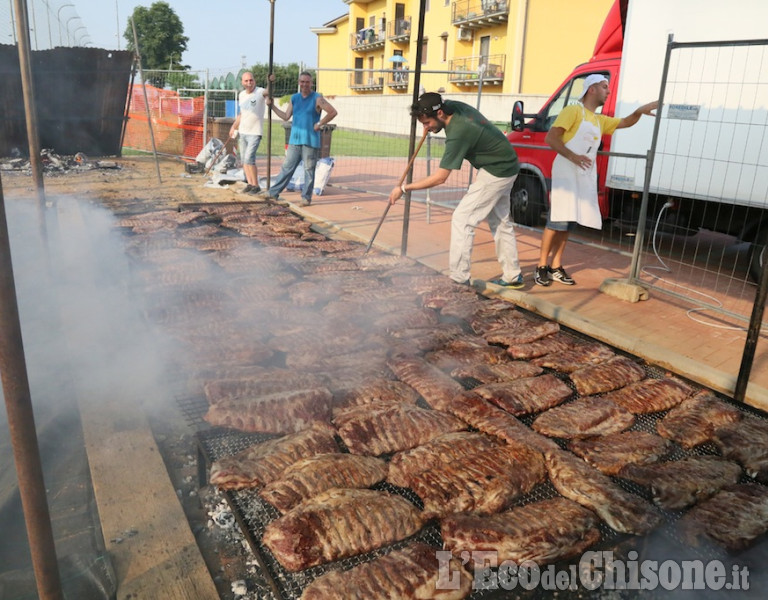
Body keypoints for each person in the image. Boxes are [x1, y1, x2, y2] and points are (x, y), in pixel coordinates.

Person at [388, 92, 523, 288]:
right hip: (505, 164)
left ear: (440, 113)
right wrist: (429, 124)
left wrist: (403, 188)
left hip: (497, 171)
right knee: (500, 222)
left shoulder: (459, 132)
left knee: (463, 218)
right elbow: (432, 105)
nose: (426, 128)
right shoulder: (450, 106)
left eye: (427, 123)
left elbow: (440, 178)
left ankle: (459, 279)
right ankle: (512, 276)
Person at [536, 73, 658, 286]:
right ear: (591, 89)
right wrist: (573, 156)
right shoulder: (573, 111)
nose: (608, 91)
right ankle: (541, 266)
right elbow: (551, 137)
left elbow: (627, 122)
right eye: (604, 87)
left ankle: (556, 265)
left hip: (582, 175)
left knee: (569, 221)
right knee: (556, 220)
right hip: (566, 171)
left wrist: (639, 111)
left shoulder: (599, 120)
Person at [260, 71, 338, 207]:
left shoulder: (317, 98)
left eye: (307, 82)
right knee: (286, 168)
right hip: (294, 140)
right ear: (299, 83)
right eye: (302, 82)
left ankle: (306, 198)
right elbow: (285, 116)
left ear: (311, 83)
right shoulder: (294, 98)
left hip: (310, 140)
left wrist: (320, 124)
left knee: (309, 170)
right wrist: (272, 106)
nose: (304, 84)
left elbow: (332, 112)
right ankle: (273, 193)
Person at [229, 71, 268, 194]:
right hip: (243, 132)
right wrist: (234, 127)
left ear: (254, 81)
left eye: (251, 80)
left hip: (255, 132)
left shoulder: (260, 92)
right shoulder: (241, 95)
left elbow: (268, 92)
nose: (249, 83)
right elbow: (242, 113)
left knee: (249, 159)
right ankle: (250, 183)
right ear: (242, 82)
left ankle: (256, 185)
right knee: (244, 160)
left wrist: (270, 82)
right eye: (246, 81)